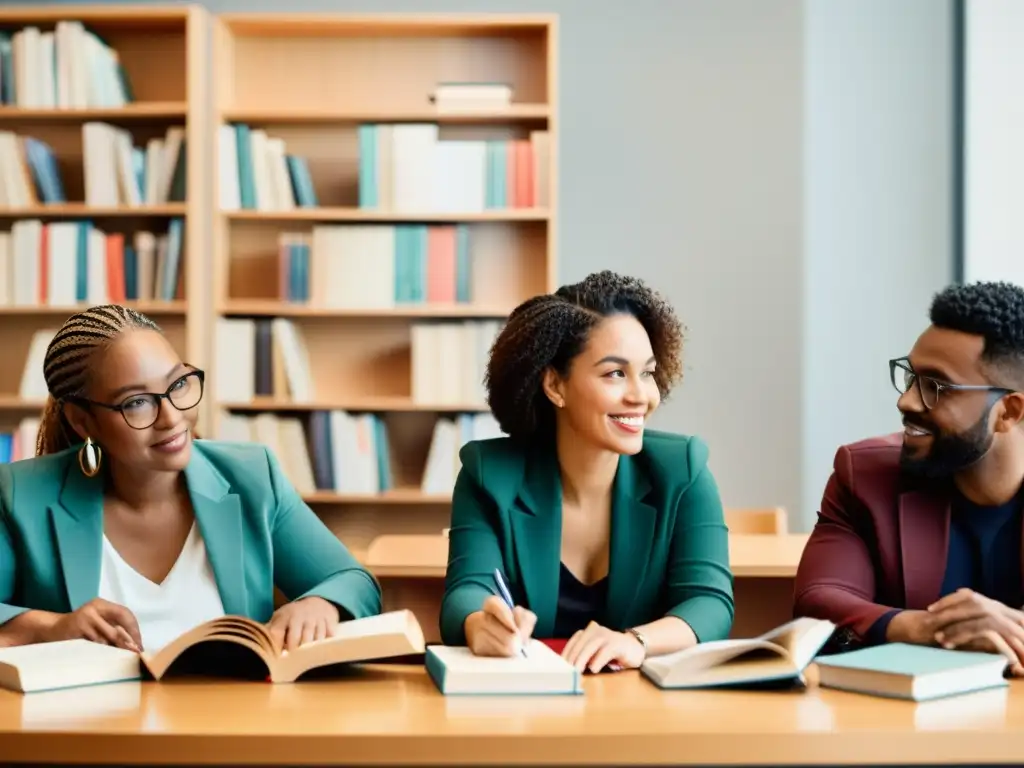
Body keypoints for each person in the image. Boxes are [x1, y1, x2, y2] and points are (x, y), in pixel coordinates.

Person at [0, 305, 381, 653]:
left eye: (178, 384)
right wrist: (51, 627)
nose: (171, 417)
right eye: (137, 402)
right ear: (82, 420)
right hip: (83, 723)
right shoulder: (21, 494)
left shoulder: (251, 476)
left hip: (228, 719)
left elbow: (354, 582)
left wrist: (320, 604)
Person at [440, 271, 734, 673]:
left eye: (647, 372)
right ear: (555, 386)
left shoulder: (684, 471)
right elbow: (466, 591)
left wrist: (637, 642)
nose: (642, 396)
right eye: (615, 373)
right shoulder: (488, 476)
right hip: (528, 710)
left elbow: (709, 603)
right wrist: (481, 624)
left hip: (644, 708)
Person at [794, 281, 1024, 673]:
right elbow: (819, 602)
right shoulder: (863, 475)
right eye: (911, 376)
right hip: (904, 722)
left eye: (936, 387)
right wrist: (934, 629)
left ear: (1008, 412)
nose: (907, 401)